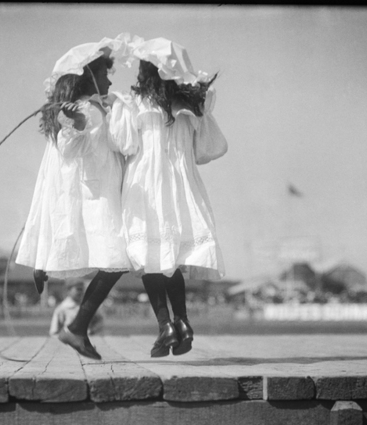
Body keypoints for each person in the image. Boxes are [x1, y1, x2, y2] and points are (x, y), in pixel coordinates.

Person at [108, 37, 228, 357]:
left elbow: (123, 144)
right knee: (169, 258)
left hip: (147, 185)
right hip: (180, 185)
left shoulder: (134, 103)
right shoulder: (191, 106)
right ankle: (183, 321)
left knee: (150, 257)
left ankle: (165, 325)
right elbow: (209, 149)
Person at [15, 36, 133, 359]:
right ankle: (77, 328)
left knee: (114, 261)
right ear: (89, 77)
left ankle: (75, 322)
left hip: (97, 191)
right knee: (116, 261)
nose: (110, 80)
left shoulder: (93, 107)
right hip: (96, 196)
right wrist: (78, 123)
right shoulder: (85, 109)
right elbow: (70, 145)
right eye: (105, 74)